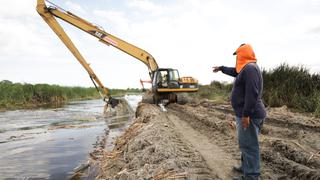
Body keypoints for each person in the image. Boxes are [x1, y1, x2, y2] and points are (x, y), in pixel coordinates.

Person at [212, 44, 266, 180]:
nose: (237, 59)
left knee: (249, 145)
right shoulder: (246, 68)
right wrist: (222, 68)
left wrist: (246, 114)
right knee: (246, 142)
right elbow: (235, 71)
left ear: (243, 54)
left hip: (250, 115)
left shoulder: (250, 69)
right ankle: (246, 168)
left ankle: (252, 176)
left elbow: (252, 94)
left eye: (238, 55)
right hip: (247, 114)